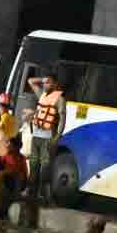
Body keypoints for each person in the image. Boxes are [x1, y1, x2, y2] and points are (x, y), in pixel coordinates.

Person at [28, 75, 67, 203]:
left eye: (48, 83)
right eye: (44, 83)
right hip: (36, 136)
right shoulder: (42, 95)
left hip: (48, 137)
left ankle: (43, 194)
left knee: (45, 167)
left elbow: (62, 119)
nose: (45, 85)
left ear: (55, 84)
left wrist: (57, 136)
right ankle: (31, 191)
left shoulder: (60, 99)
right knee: (33, 164)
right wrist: (43, 79)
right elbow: (30, 81)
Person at [0, 137, 29, 218]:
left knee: (16, 180)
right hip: (6, 180)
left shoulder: (21, 158)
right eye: (8, 144)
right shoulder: (6, 156)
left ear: (17, 147)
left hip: (16, 182)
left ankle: (10, 211)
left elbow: (24, 174)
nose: (8, 146)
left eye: (11, 145)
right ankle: (4, 210)